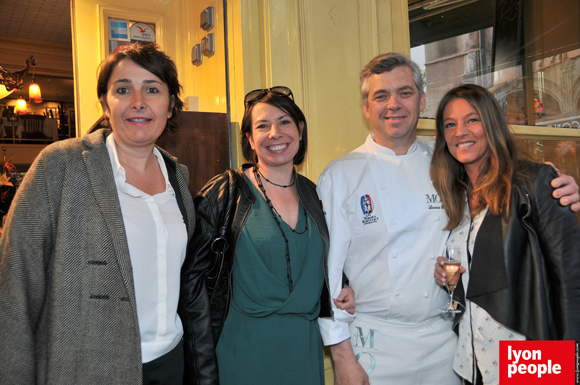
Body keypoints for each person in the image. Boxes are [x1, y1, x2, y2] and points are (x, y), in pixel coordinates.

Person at [316, 53, 580, 385]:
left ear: (422, 100)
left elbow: (569, 277)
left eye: (405, 92)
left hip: (481, 342)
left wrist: (553, 185)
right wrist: (342, 359)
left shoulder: (444, 167)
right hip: (393, 343)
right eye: (380, 96)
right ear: (366, 108)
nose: (393, 104)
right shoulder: (342, 175)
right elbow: (327, 275)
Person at [0, 43, 195, 385]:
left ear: (170, 105)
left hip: (170, 363)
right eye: (123, 89)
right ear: (106, 104)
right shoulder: (60, 165)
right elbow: (14, 289)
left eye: (152, 89)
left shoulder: (178, 176)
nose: (138, 101)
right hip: (86, 366)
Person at [181, 86, 354, 385]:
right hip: (243, 354)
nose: (276, 133)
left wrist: (344, 286)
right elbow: (190, 282)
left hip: (303, 352)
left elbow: (326, 256)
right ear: (249, 138)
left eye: (285, 121)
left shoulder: (316, 194)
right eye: (262, 125)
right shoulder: (224, 193)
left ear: (300, 130)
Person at [432, 84, 580, 385]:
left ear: (492, 124)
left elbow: (572, 281)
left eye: (472, 119)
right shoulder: (458, 198)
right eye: (450, 124)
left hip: (529, 360)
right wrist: (453, 283)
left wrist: (571, 367)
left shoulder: (535, 181)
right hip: (473, 364)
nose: (461, 131)